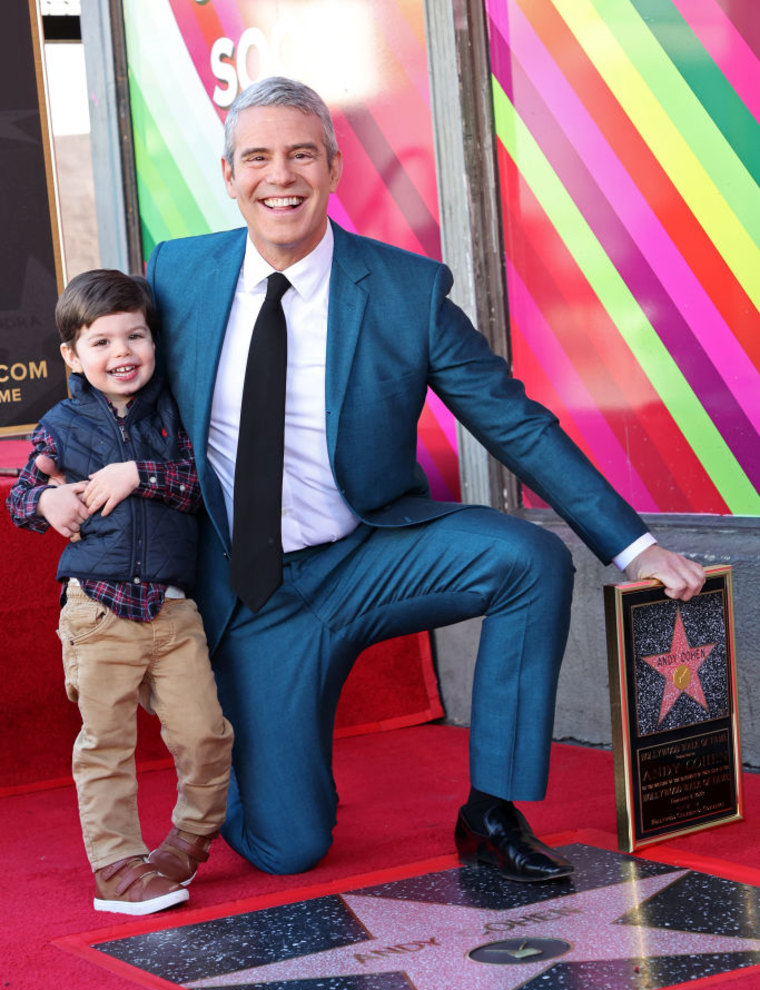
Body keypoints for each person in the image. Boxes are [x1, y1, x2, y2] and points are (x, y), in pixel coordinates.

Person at [143, 76, 704, 884]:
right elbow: (115, 389)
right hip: (254, 596)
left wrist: (636, 546)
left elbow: (513, 419)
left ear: (334, 168)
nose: (281, 176)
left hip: (367, 554)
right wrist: (56, 473)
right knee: (289, 846)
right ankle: (257, 752)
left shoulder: (405, 290)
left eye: (302, 153)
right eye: (257, 157)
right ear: (228, 174)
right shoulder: (178, 276)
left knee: (528, 560)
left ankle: (493, 810)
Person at [6, 270, 233, 915]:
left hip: (172, 610)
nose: (122, 352)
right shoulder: (61, 424)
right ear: (72, 357)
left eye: (135, 336)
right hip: (98, 611)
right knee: (105, 744)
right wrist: (46, 498)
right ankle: (116, 869)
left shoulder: (175, 413)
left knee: (205, 735)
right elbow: (23, 496)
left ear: (155, 342)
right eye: (101, 342)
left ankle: (185, 844)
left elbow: (199, 487)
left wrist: (138, 473)